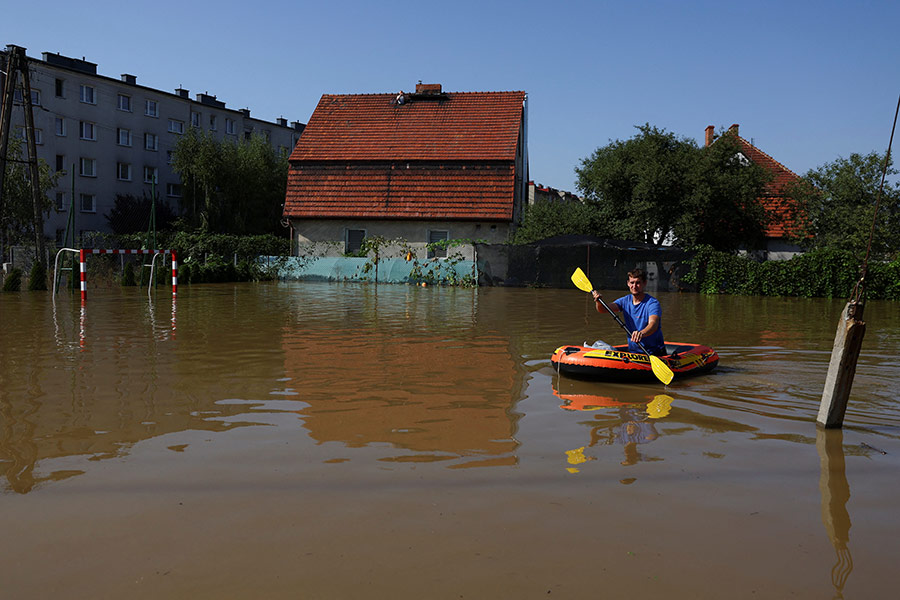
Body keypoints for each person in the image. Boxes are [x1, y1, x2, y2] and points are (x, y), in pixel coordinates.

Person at [591, 268, 666, 356]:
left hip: (654, 352)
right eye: (632, 283)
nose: (634, 286)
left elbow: (653, 324)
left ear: (644, 283)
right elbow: (603, 309)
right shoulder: (625, 301)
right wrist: (598, 302)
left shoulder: (652, 303)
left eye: (638, 283)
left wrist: (641, 333)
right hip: (634, 353)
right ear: (628, 283)